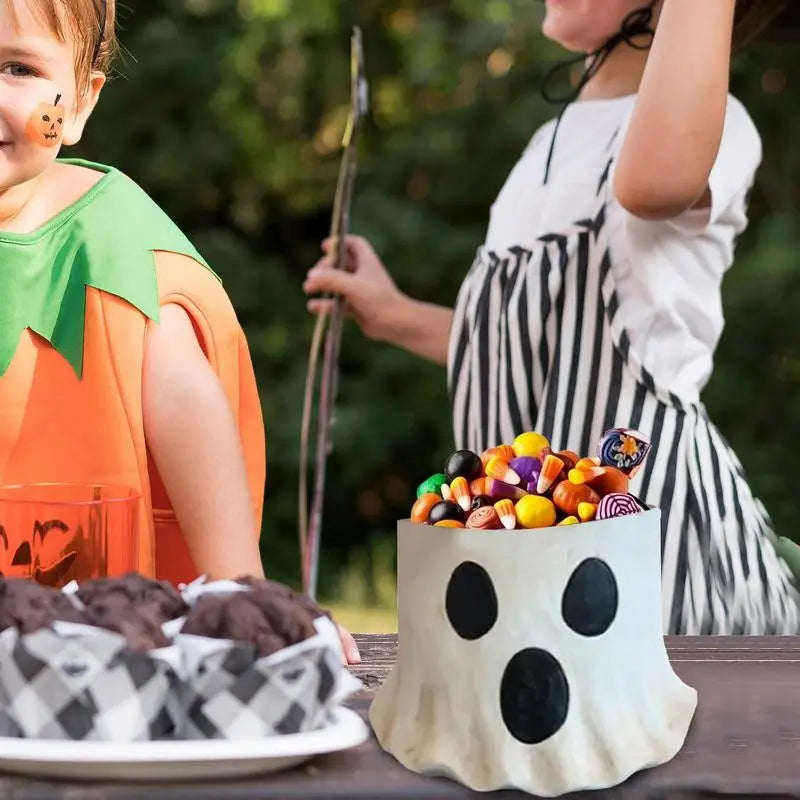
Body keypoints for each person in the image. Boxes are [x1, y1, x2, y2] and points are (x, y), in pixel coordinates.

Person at [304, 0, 800, 636]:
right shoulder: (549, 141)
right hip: (529, 552)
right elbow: (527, 351)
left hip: (652, 551)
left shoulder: (714, 126)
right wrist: (397, 315)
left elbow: (651, 182)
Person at [0, 0, 361, 662]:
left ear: (79, 103)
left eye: (16, 68)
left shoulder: (115, 250)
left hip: (91, 657)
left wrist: (243, 595)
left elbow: (183, 398)